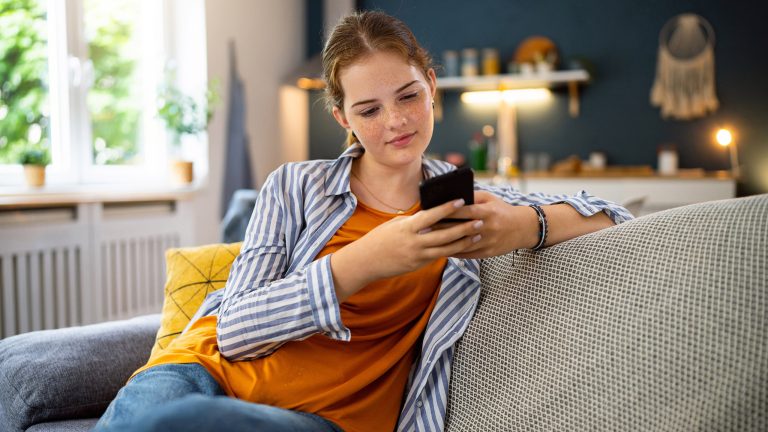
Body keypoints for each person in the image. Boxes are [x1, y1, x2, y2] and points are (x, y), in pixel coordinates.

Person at [95, 10, 632, 432]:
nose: (395, 122)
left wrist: (523, 226)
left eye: (408, 97)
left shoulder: (465, 202)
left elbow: (615, 215)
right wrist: (363, 261)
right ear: (343, 118)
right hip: (201, 370)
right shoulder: (293, 186)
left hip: (326, 419)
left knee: (180, 426)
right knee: (162, 415)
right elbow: (235, 331)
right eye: (369, 110)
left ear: (431, 86)